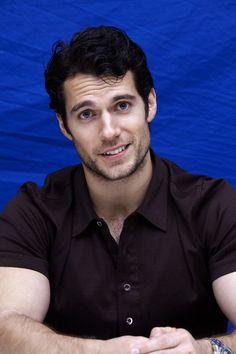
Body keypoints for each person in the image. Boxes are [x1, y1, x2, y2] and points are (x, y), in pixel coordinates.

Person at [0, 25, 236, 354]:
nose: (109, 131)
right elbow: (5, 328)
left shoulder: (215, 207)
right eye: (86, 114)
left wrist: (205, 350)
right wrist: (98, 353)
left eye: (122, 105)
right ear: (64, 126)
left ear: (149, 104)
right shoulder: (33, 212)